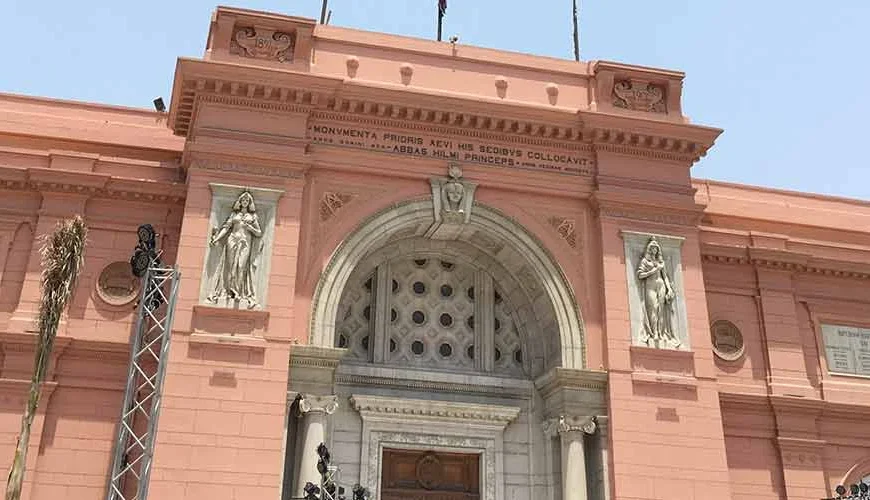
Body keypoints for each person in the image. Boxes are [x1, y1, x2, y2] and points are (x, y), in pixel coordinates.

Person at [207, 191, 263, 309]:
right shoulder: (234, 215)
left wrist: (250, 228)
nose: (245, 202)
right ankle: (229, 292)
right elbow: (226, 228)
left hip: (244, 242)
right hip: (232, 240)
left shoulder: (252, 216)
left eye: (247, 201)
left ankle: (239, 292)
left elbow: (259, 233)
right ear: (240, 201)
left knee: (240, 266)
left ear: (249, 203)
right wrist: (217, 238)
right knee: (230, 265)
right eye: (243, 200)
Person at [636, 238, 678, 347]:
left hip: (661, 285)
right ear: (649, 249)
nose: (654, 250)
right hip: (650, 285)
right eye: (652, 248)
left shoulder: (661, 262)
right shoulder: (645, 261)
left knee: (661, 310)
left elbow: (665, 277)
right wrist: (654, 270)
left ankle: (660, 333)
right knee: (653, 308)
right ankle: (653, 332)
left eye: (656, 248)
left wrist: (669, 289)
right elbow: (640, 275)